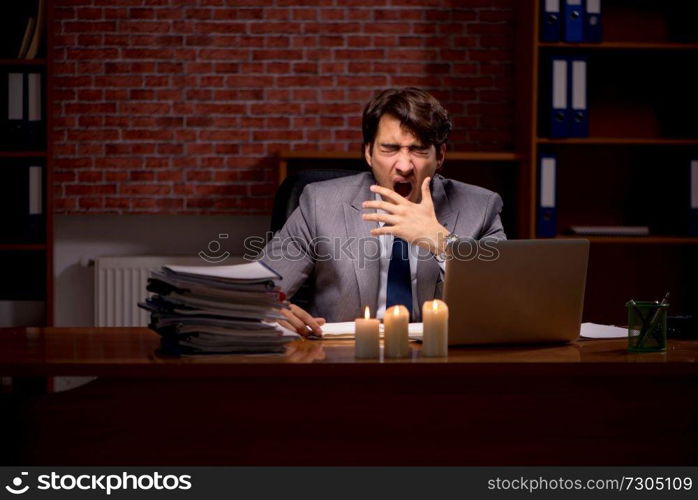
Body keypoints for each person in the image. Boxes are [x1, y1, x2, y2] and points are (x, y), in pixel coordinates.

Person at [259, 87, 506, 335]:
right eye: (390, 148)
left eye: (418, 150)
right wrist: (270, 307)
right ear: (368, 152)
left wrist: (441, 241)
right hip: (340, 358)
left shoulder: (481, 207)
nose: (404, 166)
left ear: (439, 155)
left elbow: (506, 297)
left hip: (441, 358)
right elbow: (258, 291)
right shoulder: (319, 203)